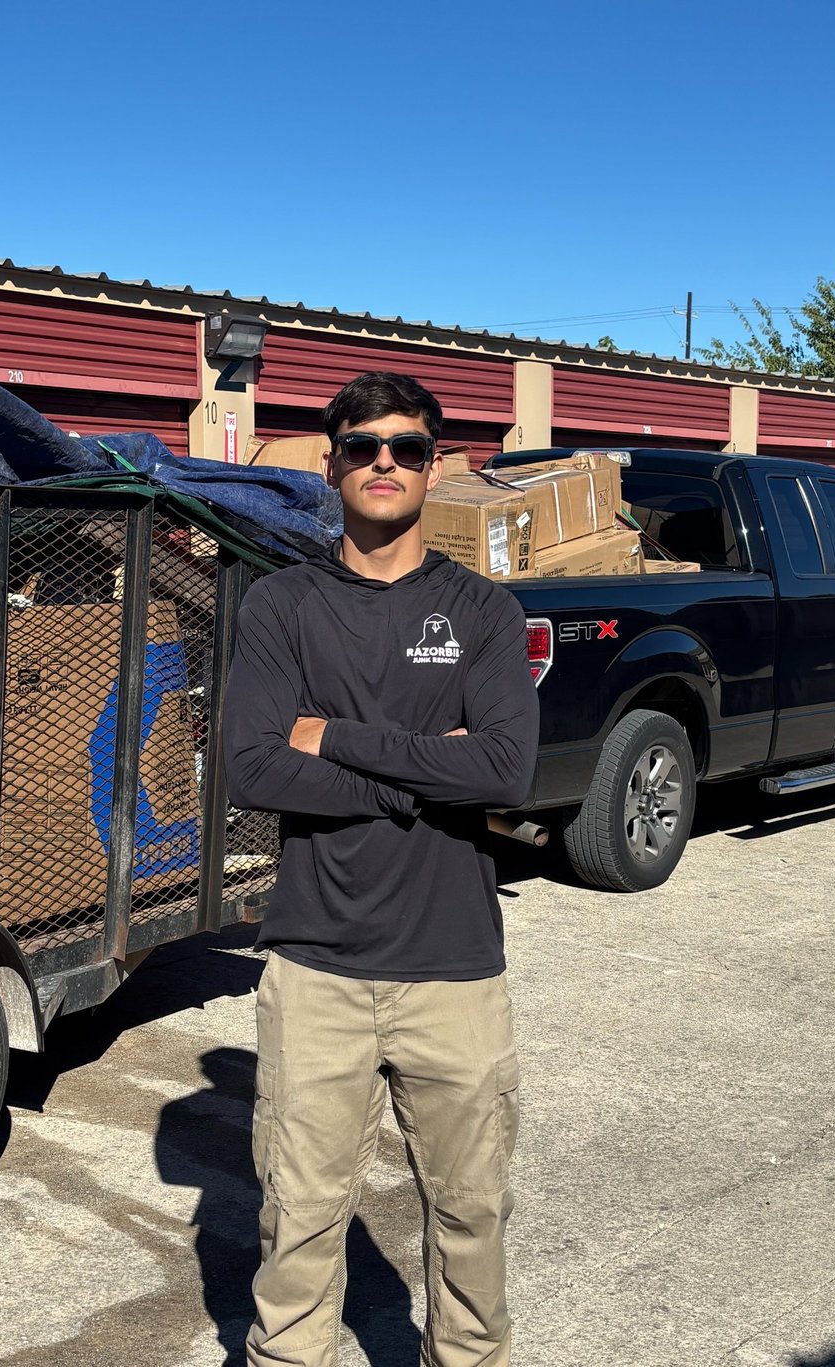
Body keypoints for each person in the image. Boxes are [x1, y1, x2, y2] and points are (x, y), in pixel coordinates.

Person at [222, 371, 540, 1366]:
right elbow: (251, 763)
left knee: (471, 1225)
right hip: (316, 966)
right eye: (361, 445)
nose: (384, 461)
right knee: (299, 1231)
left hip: (454, 969)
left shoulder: (481, 610)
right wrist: (416, 770)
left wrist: (338, 737)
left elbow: (503, 767)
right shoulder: (281, 604)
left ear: (433, 461)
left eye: (404, 444)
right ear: (333, 464)